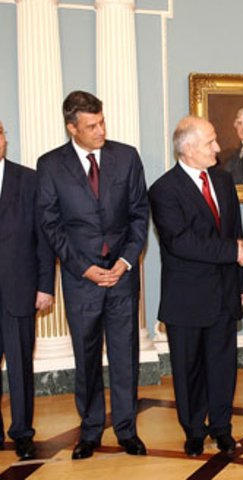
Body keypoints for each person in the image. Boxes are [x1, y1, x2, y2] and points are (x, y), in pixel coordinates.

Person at [36, 91, 149, 459]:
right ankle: (89, 431)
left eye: (102, 122)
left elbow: (139, 215)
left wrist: (126, 262)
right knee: (86, 358)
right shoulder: (51, 165)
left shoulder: (126, 157)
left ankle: (127, 430)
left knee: (125, 355)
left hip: (121, 276)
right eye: (91, 126)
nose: (100, 130)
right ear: (72, 127)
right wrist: (83, 268)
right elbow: (51, 226)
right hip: (81, 278)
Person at [149, 116, 243, 458]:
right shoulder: (164, 190)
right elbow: (181, 242)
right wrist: (235, 252)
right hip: (187, 298)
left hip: (224, 292)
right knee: (188, 370)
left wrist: (242, 280)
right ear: (188, 148)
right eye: (210, 142)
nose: (218, 148)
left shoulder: (223, 180)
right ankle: (193, 431)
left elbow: (233, 229)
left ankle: (222, 428)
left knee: (223, 367)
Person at [0, 120, 55, 460]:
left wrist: (45, 286)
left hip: (19, 290)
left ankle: (22, 432)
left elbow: (45, 239)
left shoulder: (29, 179)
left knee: (20, 366)